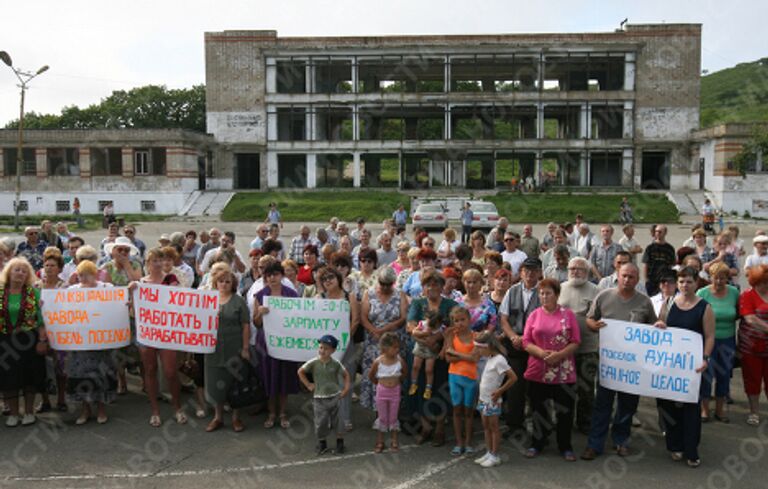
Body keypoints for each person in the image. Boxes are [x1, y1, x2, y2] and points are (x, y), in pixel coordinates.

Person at [581, 263, 657, 460]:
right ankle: (595, 444)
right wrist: (594, 325)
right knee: (602, 404)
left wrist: (659, 326)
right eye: (624, 276)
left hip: (632, 364)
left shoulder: (644, 302)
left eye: (632, 277)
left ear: (637, 280)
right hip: (608, 362)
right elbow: (589, 319)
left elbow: (653, 328)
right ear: (617, 276)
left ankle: (621, 441)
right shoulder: (604, 296)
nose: (627, 280)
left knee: (627, 405)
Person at [655, 267, 715, 467]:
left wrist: (705, 358)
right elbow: (661, 324)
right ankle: (674, 446)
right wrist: (660, 326)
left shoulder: (704, 307)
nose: (684, 285)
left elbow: (710, 336)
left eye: (689, 281)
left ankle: (691, 450)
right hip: (670, 364)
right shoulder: (670, 302)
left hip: (692, 367)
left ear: (696, 283)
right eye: (681, 282)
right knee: (668, 406)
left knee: (690, 407)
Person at [522, 278, 580, 461]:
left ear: (556, 295)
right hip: (538, 369)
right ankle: (537, 443)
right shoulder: (534, 315)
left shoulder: (568, 315)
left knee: (565, 411)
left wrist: (559, 355)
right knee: (538, 409)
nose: (544, 296)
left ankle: (565, 446)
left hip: (563, 370)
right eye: (541, 293)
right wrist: (541, 353)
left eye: (548, 293)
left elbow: (576, 341)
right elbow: (526, 342)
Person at [131, 248, 185, 427]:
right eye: (154, 260)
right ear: (147, 263)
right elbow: (133, 310)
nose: (157, 263)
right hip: (147, 333)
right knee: (150, 370)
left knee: (170, 371)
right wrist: (131, 294)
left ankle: (177, 407)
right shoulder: (141, 284)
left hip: (167, 332)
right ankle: (155, 410)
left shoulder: (171, 280)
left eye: (160, 260)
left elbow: (180, 304)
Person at [406, 270, 456, 446]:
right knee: (420, 388)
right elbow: (410, 325)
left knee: (440, 389)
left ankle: (440, 428)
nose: (432, 288)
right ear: (423, 287)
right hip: (420, 351)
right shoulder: (418, 303)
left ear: (442, 287)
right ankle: (426, 426)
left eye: (436, 284)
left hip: (441, 354)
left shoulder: (450, 304)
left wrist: (437, 339)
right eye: (428, 285)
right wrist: (425, 338)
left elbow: (454, 327)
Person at [66, 261, 120, 425]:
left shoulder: (106, 289)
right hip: (80, 342)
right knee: (81, 375)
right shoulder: (71, 291)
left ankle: (101, 409)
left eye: (87, 274)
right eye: (81, 275)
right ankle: (85, 409)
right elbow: (61, 310)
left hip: (100, 342)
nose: (84, 278)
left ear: (95, 274)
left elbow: (117, 305)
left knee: (100, 374)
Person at [253, 261, 301, 429]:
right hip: (266, 343)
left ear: (282, 276)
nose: (272, 278)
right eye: (269, 275)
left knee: (284, 376)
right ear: (265, 277)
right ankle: (271, 412)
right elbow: (256, 323)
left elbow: (297, 320)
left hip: (285, 342)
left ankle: (282, 412)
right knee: (269, 376)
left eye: (275, 274)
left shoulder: (291, 295)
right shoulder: (260, 295)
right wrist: (260, 314)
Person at [0, 258, 47, 427]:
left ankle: (29, 411)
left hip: (29, 340)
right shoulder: (0, 292)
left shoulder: (33, 293)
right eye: (16, 270)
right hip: (4, 340)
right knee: (8, 378)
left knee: (30, 377)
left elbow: (41, 320)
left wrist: (42, 340)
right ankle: (13, 413)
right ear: (9, 273)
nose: (20, 273)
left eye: (24, 271)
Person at [499, 257, 541, 438]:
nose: (530, 274)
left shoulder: (545, 292)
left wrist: (527, 338)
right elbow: (504, 319)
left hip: (536, 346)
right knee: (515, 386)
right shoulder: (512, 291)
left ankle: (538, 427)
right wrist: (513, 336)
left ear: (539, 272)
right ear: (521, 272)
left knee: (536, 389)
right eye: (526, 270)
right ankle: (514, 424)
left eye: (533, 271)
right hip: (514, 344)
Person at [204, 266, 250, 433]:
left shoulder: (239, 301)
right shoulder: (208, 299)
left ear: (233, 283)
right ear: (216, 283)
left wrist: (245, 348)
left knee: (235, 383)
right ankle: (218, 417)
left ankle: (236, 418)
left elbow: (246, 325)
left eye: (227, 281)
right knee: (216, 384)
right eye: (221, 281)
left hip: (234, 348)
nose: (224, 284)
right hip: (213, 349)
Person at [558, 257, 599, 434]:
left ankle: (585, 423)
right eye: (572, 268)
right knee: (564, 389)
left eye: (580, 269)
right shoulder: (560, 288)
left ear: (587, 272)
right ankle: (563, 422)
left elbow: (601, 317)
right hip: (564, 350)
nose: (575, 271)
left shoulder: (596, 290)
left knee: (587, 389)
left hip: (588, 348)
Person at [316, 266, 359, 432]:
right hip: (325, 349)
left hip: (346, 347)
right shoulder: (319, 298)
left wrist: (343, 341)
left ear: (338, 279)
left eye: (331, 278)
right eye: (324, 279)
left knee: (344, 383)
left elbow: (355, 321)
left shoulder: (350, 297)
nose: (328, 281)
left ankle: (345, 417)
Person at [359, 267, 407, 411]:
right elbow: (363, 317)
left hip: (393, 340)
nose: (385, 287)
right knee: (375, 372)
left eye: (389, 284)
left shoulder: (400, 294)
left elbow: (403, 317)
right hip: (374, 341)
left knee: (392, 371)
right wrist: (374, 330)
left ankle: (393, 409)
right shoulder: (369, 293)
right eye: (382, 283)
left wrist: (385, 329)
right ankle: (377, 408)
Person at [697, 262, 739, 422]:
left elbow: (737, 313)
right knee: (706, 375)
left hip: (727, 340)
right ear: (710, 278)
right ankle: (704, 410)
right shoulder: (702, 293)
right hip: (707, 340)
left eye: (723, 278)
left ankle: (720, 411)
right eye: (716, 278)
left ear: (728, 278)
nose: (719, 282)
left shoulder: (734, 292)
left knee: (724, 375)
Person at [298, 334, 350, 455]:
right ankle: (322, 443)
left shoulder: (336, 363)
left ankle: (340, 442)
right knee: (320, 421)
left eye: (326, 349)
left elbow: (346, 374)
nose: (322, 351)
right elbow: (300, 371)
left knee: (338, 420)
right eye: (321, 347)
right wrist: (308, 385)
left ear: (333, 350)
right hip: (319, 398)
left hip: (335, 397)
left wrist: (346, 389)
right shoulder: (314, 363)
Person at [473, 331, 517, 468]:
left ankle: (495, 455)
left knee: (494, 428)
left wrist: (500, 391)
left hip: (492, 400)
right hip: (484, 399)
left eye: (480, 348)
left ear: (488, 346)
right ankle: (489, 452)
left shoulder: (499, 360)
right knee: (486, 427)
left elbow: (513, 378)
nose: (478, 351)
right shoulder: (490, 358)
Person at [444, 306, 478, 456]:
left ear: (469, 320)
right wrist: (466, 357)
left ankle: (469, 442)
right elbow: (448, 358)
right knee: (457, 410)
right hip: (454, 377)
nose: (460, 323)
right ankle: (459, 443)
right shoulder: (452, 336)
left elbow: (475, 358)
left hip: (471, 378)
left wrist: (455, 353)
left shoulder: (475, 336)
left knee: (469, 411)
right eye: (456, 321)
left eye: (462, 320)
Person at [738, 264, 768, 427]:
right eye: (763, 282)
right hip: (751, 348)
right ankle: (754, 412)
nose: (766, 285)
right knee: (752, 380)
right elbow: (750, 319)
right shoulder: (747, 296)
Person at [368, 332, 407, 453]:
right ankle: (380, 441)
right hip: (382, 392)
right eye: (394, 347)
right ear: (385, 348)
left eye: (398, 347)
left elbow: (404, 373)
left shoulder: (400, 361)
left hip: (395, 391)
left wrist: (397, 382)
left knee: (394, 416)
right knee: (382, 417)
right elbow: (371, 376)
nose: (397, 350)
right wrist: (380, 384)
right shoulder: (378, 362)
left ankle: (394, 440)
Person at [643, 225, 677, 296]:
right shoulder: (650, 248)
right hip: (652, 279)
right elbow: (646, 264)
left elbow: (672, 265)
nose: (657, 233)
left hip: (665, 280)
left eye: (660, 232)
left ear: (665, 233)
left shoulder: (670, 249)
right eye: (656, 231)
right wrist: (646, 279)